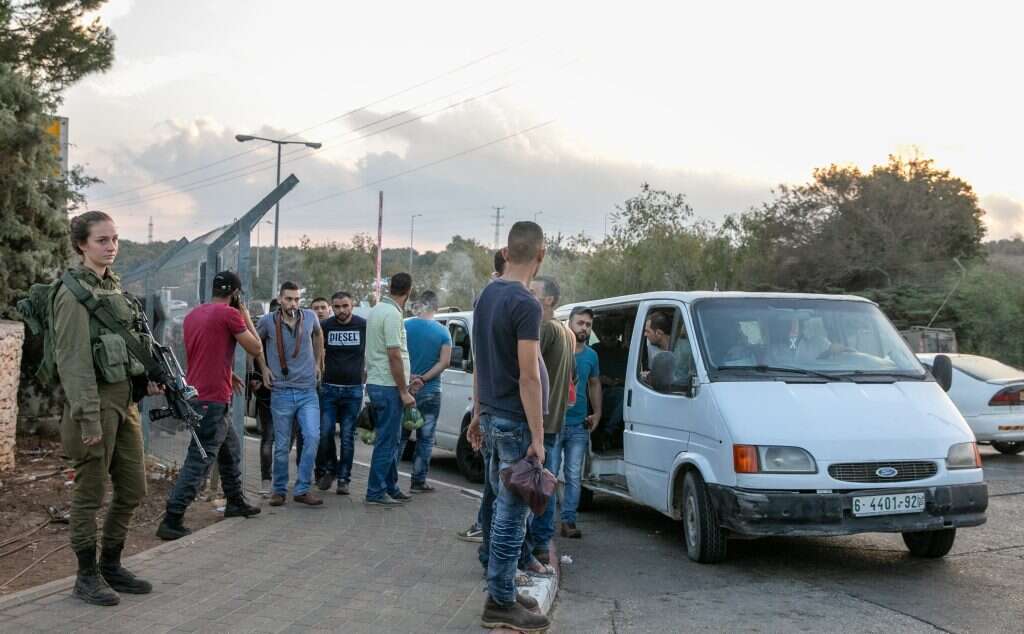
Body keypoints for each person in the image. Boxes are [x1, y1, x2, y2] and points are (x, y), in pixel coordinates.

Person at [54, 211, 157, 605]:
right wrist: (87, 417)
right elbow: (73, 361)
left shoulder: (111, 287)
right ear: (82, 244)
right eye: (102, 240)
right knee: (90, 492)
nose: (111, 246)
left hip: (124, 399)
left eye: (114, 239)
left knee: (133, 487)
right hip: (94, 403)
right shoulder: (72, 294)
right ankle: (85, 576)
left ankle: (111, 564)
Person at [466, 221, 551, 632]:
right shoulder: (526, 303)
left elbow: (480, 361)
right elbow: (529, 375)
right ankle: (499, 601)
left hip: (493, 416)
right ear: (541, 254)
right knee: (511, 514)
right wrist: (538, 436)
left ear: (505, 250)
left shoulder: (486, 296)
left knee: (501, 506)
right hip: (516, 423)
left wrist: (478, 412)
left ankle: (502, 589)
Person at [157, 271, 263, 540]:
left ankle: (235, 501)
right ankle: (172, 517)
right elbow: (256, 348)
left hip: (197, 394)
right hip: (213, 399)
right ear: (235, 294)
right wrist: (245, 314)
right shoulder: (230, 314)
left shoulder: (194, 315)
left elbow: (206, 351)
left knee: (230, 450)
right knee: (200, 460)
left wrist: (229, 373)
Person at [257, 282, 324, 506]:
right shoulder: (267, 321)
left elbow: (318, 335)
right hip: (281, 391)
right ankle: (279, 489)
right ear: (280, 298)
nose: (293, 303)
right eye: (288, 299)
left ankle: (303, 488)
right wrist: (263, 368)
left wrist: (318, 363)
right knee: (282, 444)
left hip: (307, 390)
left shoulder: (310, 316)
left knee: (313, 437)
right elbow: (256, 344)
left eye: (296, 299)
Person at [526, 275, 576, 563]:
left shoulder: (544, 327)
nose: (527, 294)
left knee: (537, 487)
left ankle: (538, 544)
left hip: (543, 423)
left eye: (533, 292)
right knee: (546, 483)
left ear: (548, 300)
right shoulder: (563, 330)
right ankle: (542, 544)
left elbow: (529, 371)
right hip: (554, 420)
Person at [457, 249, 506, 543]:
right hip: (501, 410)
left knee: (495, 481)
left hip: (491, 407)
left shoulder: (486, 300)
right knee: (499, 485)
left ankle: (487, 539)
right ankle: (492, 545)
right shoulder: (503, 301)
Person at [364, 273, 415, 506]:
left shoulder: (376, 310)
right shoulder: (393, 314)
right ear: (409, 290)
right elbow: (394, 354)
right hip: (388, 385)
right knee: (387, 440)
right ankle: (375, 491)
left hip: (379, 381)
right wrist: (404, 390)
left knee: (392, 440)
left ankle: (391, 486)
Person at [556, 306, 602, 538]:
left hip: (579, 425)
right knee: (549, 472)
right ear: (570, 323)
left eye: (588, 324)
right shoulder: (558, 349)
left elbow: (594, 384)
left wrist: (598, 413)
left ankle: (568, 522)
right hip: (554, 423)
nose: (584, 328)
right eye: (580, 323)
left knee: (574, 475)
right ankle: (540, 525)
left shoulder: (592, 356)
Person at [400, 290, 452, 493]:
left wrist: (410, 378)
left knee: (401, 437)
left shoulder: (404, 326)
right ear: (435, 308)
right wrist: (423, 378)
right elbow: (445, 362)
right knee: (426, 438)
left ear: (419, 305)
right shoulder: (442, 332)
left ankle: (389, 480)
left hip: (405, 390)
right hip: (430, 391)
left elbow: (396, 354)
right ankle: (418, 481)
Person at [316, 291, 366, 495]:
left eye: (345, 306)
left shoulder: (363, 325)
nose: (341, 310)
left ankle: (344, 478)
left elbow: (373, 352)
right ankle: (331, 468)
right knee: (325, 433)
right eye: (337, 307)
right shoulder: (325, 326)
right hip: (329, 388)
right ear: (332, 307)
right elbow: (317, 351)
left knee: (347, 437)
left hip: (353, 390)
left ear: (352, 305)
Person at [252, 299, 279, 496]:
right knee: (268, 436)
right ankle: (266, 480)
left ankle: (276, 480)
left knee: (285, 439)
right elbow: (252, 351)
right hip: (267, 392)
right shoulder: (263, 329)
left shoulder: (299, 331)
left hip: (290, 390)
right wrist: (256, 378)